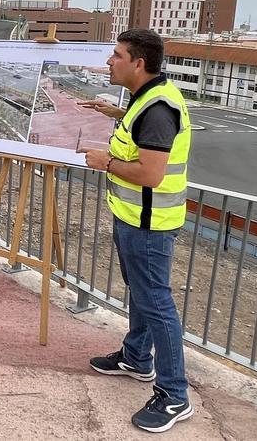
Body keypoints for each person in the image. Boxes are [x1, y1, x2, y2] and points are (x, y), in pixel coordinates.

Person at [77, 28, 194, 433]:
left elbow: (151, 173)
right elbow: (140, 135)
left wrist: (103, 162)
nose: (109, 61)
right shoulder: (144, 98)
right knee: (143, 293)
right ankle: (137, 358)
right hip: (133, 220)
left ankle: (174, 394)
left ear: (138, 63)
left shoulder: (158, 109)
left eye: (116, 55)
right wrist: (115, 114)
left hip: (149, 225)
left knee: (157, 302)